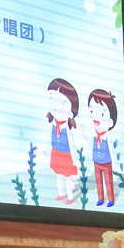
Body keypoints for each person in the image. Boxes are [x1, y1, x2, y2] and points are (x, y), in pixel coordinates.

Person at [46, 78, 80, 206]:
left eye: (62, 103)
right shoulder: (53, 125)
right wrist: (47, 152)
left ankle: (70, 196)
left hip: (67, 155)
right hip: (56, 153)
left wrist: (75, 159)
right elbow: (50, 140)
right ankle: (60, 194)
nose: (55, 106)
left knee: (68, 177)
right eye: (52, 99)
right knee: (58, 175)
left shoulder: (66, 128)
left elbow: (72, 145)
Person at [87, 89, 118, 207]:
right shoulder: (94, 136)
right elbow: (92, 149)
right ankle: (100, 198)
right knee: (99, 181)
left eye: (102, 114)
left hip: (107, 162)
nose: (96, 117)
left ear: (110, 122)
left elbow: (112, 151)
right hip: (96, 162)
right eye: (92, 111)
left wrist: (115, 164)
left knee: (108, 181)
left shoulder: (106, 137)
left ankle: (111, 200)